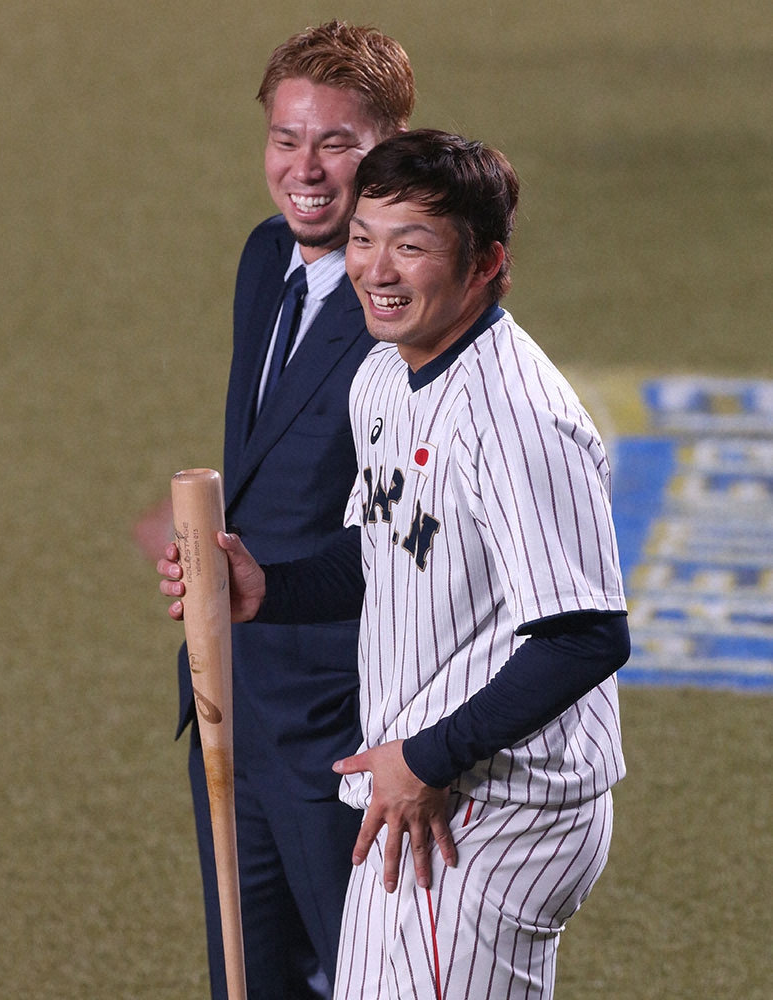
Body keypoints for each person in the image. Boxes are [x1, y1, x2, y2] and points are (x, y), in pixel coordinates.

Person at [162, 129, 631, 999]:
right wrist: (271, 587)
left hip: (502, 807)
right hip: (420, 788)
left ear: (486, 263)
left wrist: (428, 758)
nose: (376, 270)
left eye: (410, 247)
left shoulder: (516, 420)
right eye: (364, 239)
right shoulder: (384, 373)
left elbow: (587, 636)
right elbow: (384, 545)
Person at [153, 22, 416, 1000]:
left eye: (336, 144)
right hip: (235, 696)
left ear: (389, 149)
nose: (304, 169)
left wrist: (269, 584)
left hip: (346, 729)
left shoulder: (406, 312)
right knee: (247, 978)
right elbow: (268, 471)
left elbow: (412, 536)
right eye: (286, 138)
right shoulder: (266, 258)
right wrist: (216, 565)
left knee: (369, 980)